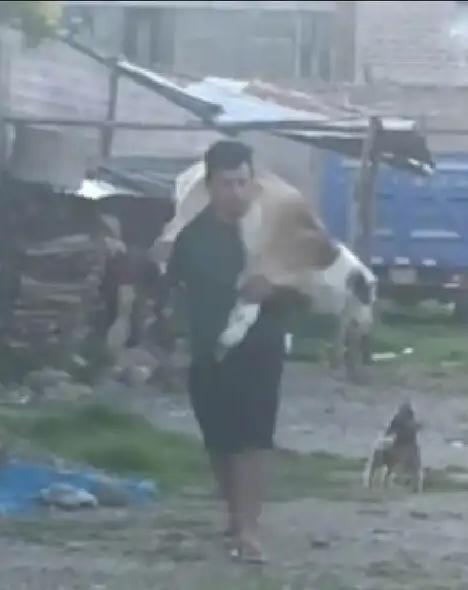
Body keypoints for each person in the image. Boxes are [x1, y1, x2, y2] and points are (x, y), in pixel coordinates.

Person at [165, 139, 295, 564]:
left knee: (254, 440)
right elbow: (178, 287)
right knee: (220, 442)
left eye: (243, 182)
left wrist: (276, 288)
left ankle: (249, 529)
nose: (236, 192)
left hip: (261, 349)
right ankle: (236, 516)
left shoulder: (271, 232)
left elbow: (302, 287)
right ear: (210, 185)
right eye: (227, 183)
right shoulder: (194, 236)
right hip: (210, 352)